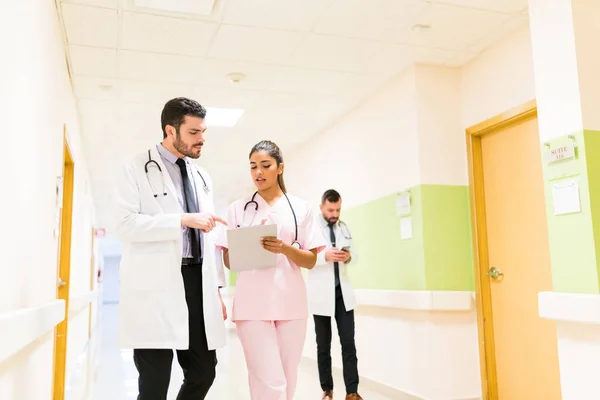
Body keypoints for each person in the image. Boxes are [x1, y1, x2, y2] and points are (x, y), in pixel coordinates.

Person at [113, 97, 228, 400]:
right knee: (154, 383)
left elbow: (209, 235)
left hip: (197, 284)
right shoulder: (135, 168)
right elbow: (124, 224)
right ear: (170, 130)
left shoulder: (202, 177)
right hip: (156, 284)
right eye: (193, 132)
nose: (201, 139)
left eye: (203, 132)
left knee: (204, 372)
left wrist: (217, 288)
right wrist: (182, 219)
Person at [216, 140, 326, 400]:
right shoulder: (237, 209)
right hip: (252, 305)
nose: (258, 172)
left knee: (288, 378)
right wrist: (246, 248)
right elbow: (229, 261)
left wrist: (284, 249)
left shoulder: (300, 208)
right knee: (268, 379)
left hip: (291, 304)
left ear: (280, 168)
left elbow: (310, 260)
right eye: (253, 166)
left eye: (265, 165)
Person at [307, 189, 362, 400]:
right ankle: (327, 389)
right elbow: (307, 257)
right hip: (321, 295)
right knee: (324, 345)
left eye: (338, 209)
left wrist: (347, 256)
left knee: (348, 344)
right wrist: (325, 256)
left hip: (343, 295)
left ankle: (352, 391)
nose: (335, 214)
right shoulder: (312, 229)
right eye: (330, 209)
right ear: (321, 207)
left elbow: (355, 256)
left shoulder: (344, 227)